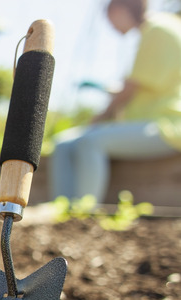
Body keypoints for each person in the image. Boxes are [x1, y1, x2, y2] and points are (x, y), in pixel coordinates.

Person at [50, 0, 181, 203]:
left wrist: (102, 116)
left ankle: (83, 211)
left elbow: (131, 87)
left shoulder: (157, 30)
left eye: (110, 20)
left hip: (167, 124)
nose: (112, 27)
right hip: (148, 122)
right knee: (63, 144)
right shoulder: (159, 28)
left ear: (119, 10)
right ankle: (61, 208)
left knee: (90, 141)